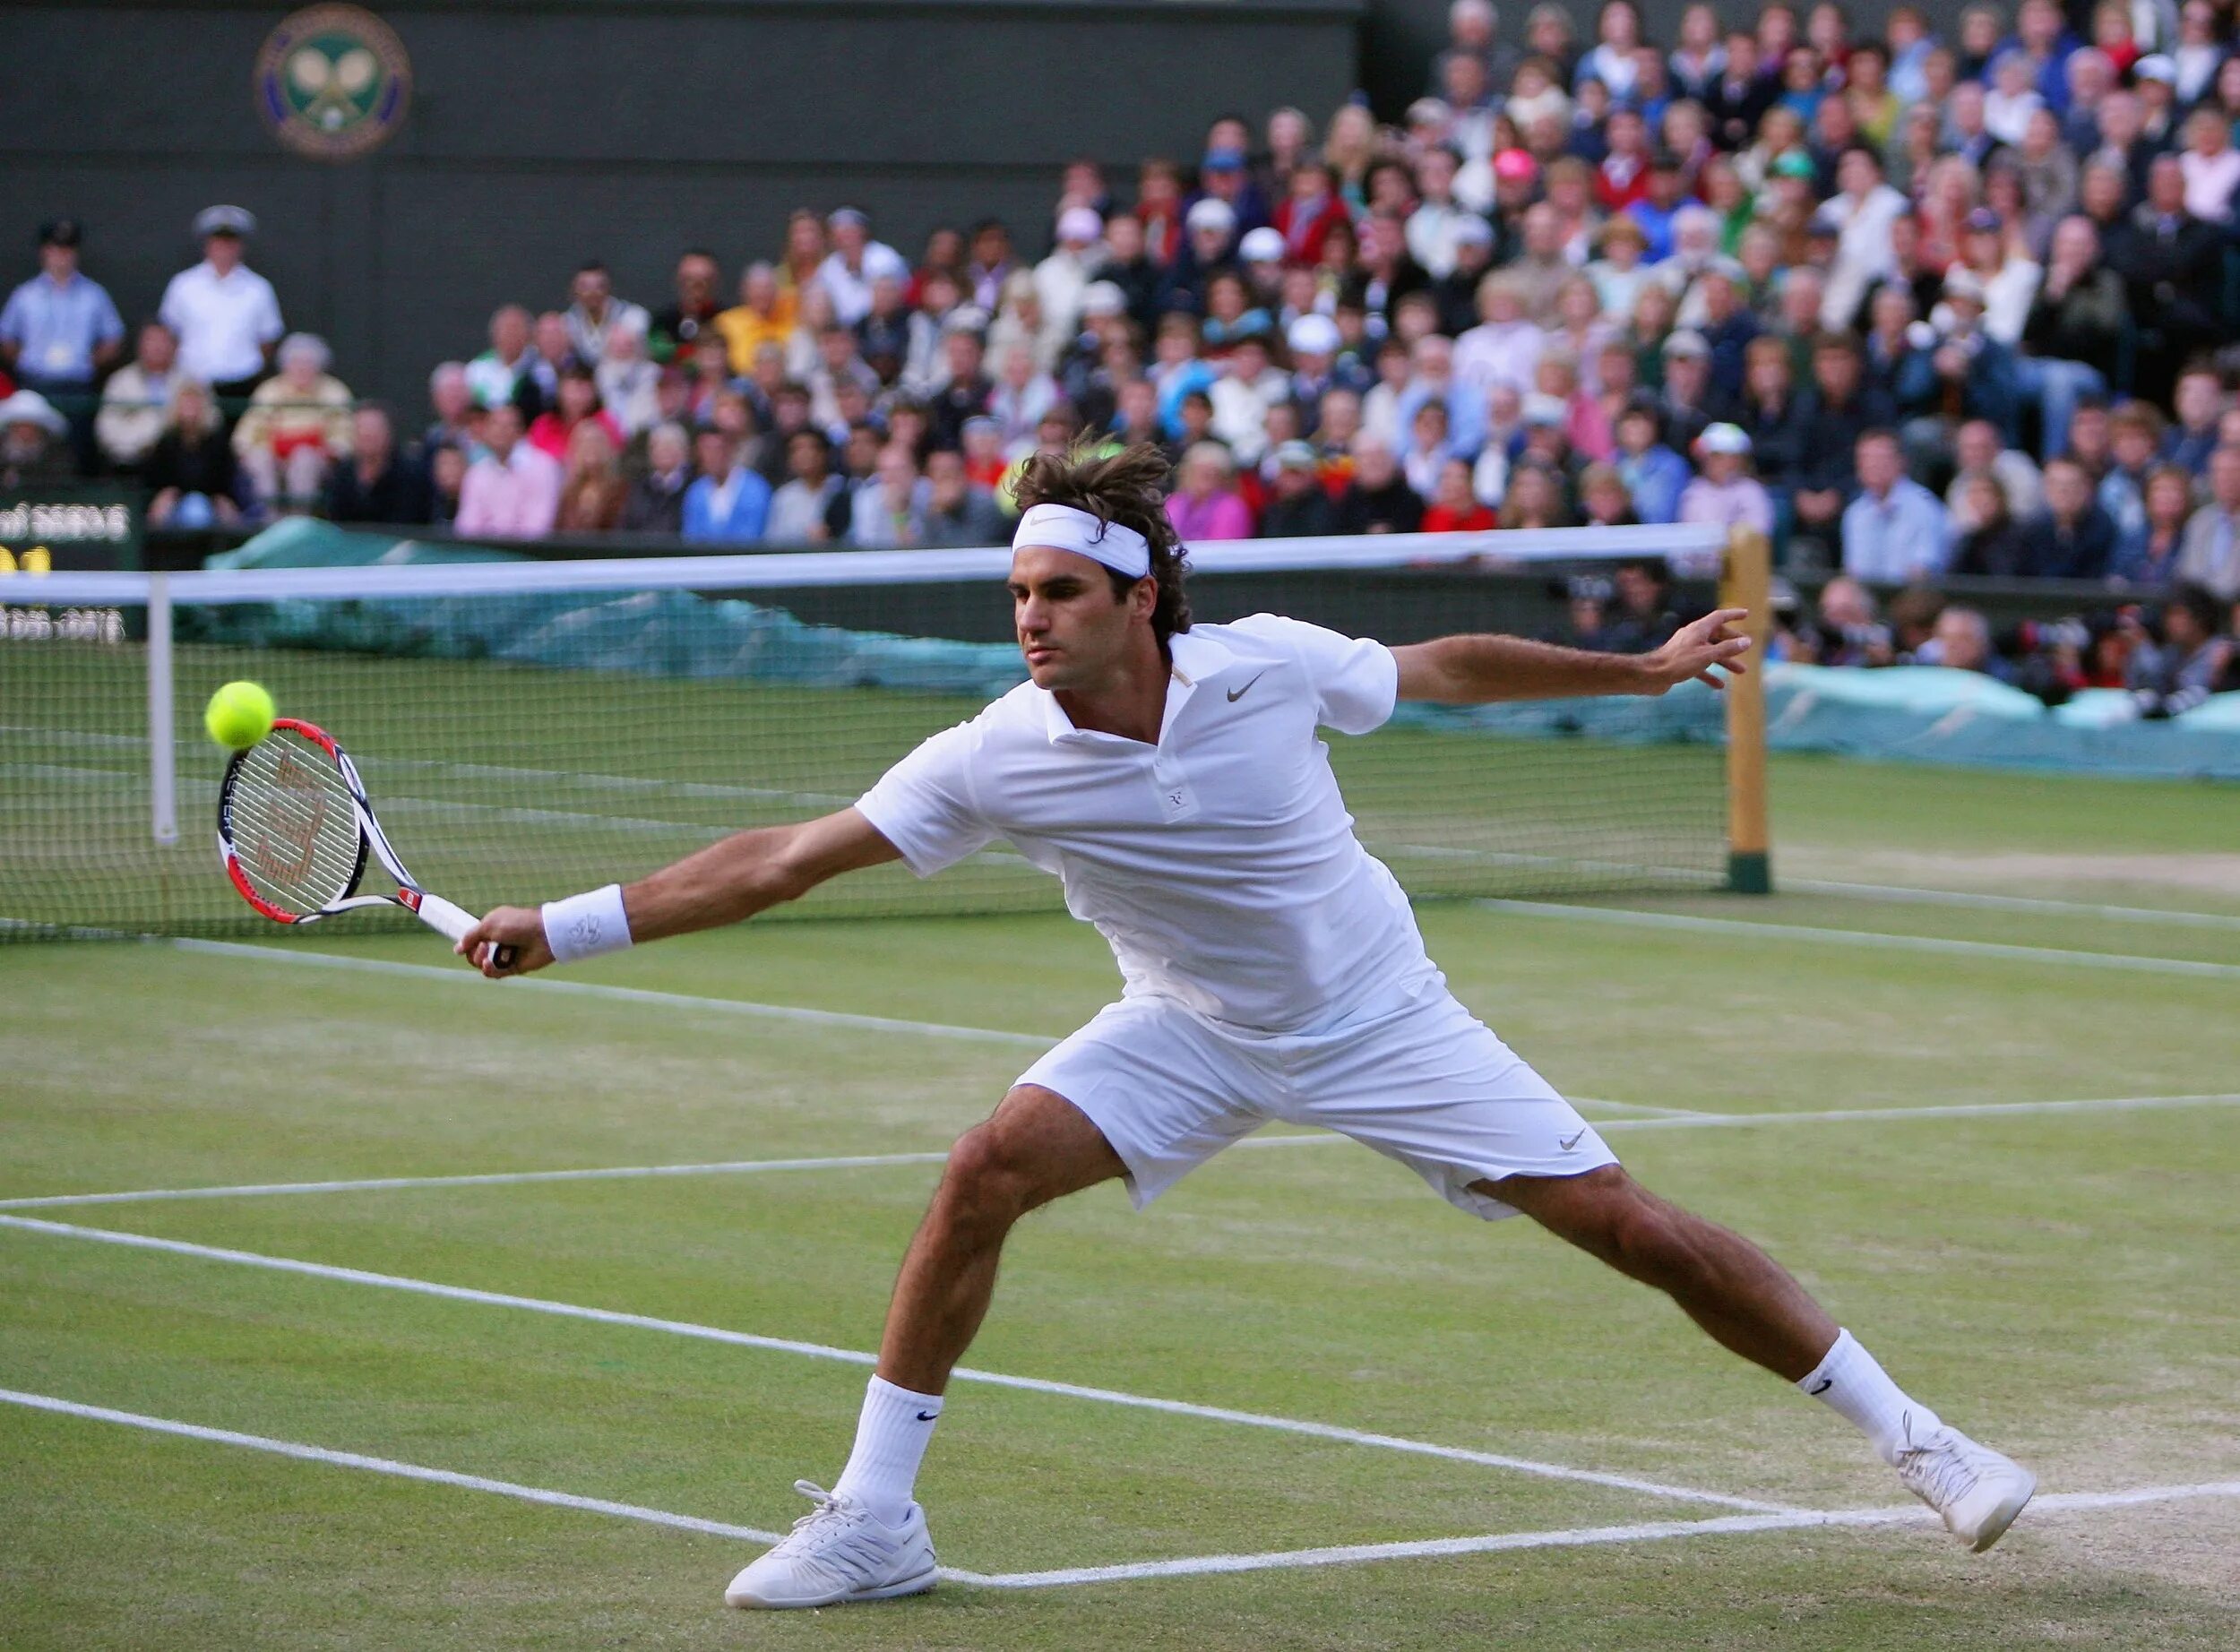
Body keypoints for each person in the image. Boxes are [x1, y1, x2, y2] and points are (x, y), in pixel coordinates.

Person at [458, 442, 2037, 1612]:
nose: (1030, 618)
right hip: (1186, 1024)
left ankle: (1924, 1440)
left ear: (1140, 596)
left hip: (1377, 1011)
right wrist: (572, 921)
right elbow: (783, 861)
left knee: (1626, 1223)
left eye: (1059, 591)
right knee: (982, 1166)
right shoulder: (995, 752)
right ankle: (877, 1518)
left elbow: (1441, 663)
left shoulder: (1266, 666)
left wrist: (1634, 665)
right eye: (1015, 591)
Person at [0, 218, 125, 469]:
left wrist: (89, 360)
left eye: (67, 250)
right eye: (56, 249)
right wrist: (26, 359)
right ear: (45, 252)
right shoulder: (26, 295)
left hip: (77, 386)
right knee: (32, 452)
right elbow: (6, 338)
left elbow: (113, 339)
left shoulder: (93, 294)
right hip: (36, 384)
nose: (61, 257)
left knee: (77, 451)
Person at [158, 207, 283, 409]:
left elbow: (267, 340)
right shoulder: (183, 285)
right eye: (218, 240)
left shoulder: (258, 288)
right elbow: (171, 331)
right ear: (207, 244)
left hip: (243, 382)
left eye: (231, 241)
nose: (224, 247)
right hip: (193, 382)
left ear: (240, 246)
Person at [231, 331, 352, 511]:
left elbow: (345, 436)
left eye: (308, 364)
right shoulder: (269, 391)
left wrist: (330, 451)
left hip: (316, 459)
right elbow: (245, 436)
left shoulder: (334, 392)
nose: (301, 369)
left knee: (304, 459)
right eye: (296, 363)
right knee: (260, 459)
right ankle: (269, 521)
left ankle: (298, 522)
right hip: (273, 456)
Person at [1842, 430, 1951, 581]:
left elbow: (1924, 571)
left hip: (1915, 597)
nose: (1871, 465)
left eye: (1880, 458)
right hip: (1867, 599)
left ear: (1901, 461)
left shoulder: (1925, 507)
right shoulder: (1855, 513)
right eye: (1865, 458)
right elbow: (1854, 572)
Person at [139, 380, 240, 527]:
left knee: (197, 507)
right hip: (173, 505)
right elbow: (154, 479)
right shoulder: (166, 442)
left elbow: (224, 480)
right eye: (186, 404)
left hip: (209, 505)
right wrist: (164, 496)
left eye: (195, 404)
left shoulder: (217, 442)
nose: (190, 410)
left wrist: (219, 498)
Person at [454, 402, 562, 538]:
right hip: (483, 553)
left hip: (528, 555)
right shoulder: (476, 473)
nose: (500, 431)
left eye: (507, 425)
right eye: (495, 424)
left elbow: (538, 527)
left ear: (520, 431)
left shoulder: (543, 467)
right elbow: (467, 526)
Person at [323, 403, 432, 527]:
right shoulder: (343, 473)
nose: (367, 434)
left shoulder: (411, 474)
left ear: (389, 432)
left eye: (374, 428)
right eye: (361, 428)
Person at [95, 320, 181, 474]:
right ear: (140, 346)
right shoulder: (120, 381)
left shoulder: (190, 381)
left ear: (175, 346)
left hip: (177, 466)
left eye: (163, 341)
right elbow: (107, 428)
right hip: (129, 462)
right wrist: (141, 442)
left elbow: (209, 422)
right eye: (151, 340)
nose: (157, 347)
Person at [682, 426, 773, 543]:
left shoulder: (756, 489)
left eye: (717, 449)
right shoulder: (695, 492)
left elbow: (754, 534)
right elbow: (691, 536)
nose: (711, 456)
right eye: (706, 450)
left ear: (730, 450)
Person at [621, 421, 694, 534]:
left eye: (670, 446)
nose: (664, 451)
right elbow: (627, 524)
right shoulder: (640, 487)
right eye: (658, 446)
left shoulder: (693, 487)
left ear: (684, 451)